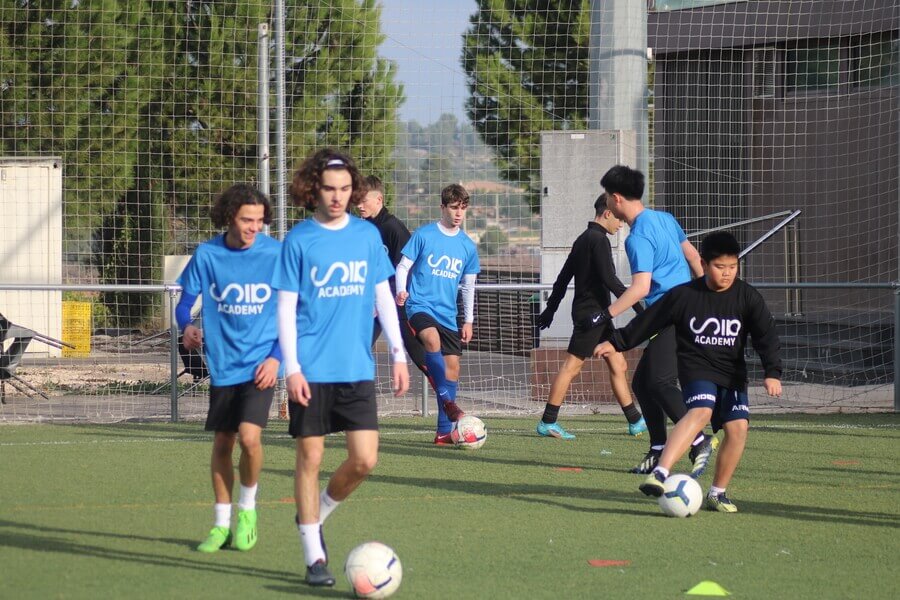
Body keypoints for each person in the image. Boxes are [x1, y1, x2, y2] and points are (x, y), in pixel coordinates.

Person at [273, 149, 410, 587]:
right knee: (310, 456)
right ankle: (314, 555)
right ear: (315, 189)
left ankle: (316, 515)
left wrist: (398, 352)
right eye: (330, 189)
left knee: (365, 459)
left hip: (356, 367)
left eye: (345, 189)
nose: (338, 197)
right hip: (310, 367)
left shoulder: (367, 237)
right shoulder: (298, 240)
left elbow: (383, 295)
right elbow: (285, 307)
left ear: (354, 190)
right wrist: (290, 368)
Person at [595, 231, 782, 512]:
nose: (727, 273)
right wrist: (616, 342)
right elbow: (649, 321)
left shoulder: (747, 296)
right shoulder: (684, 296)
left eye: (733, 267)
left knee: (738, 428)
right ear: (704, 264)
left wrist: (772, 371)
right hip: (697, 368)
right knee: (701, 411)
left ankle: (717, 492)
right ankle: (660, 473)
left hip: (731, 374)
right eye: (720, 267)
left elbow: (766, 335)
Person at [177, 183, 282, 553]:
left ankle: (248, 511)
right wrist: (186, 326)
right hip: (223, 366)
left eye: (259, 220)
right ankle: (221, 525)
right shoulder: (207, 255)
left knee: (250, 439)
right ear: (229, 218)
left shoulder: (276, 254)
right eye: (245, 220)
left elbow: (294, 314)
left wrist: (276, 357)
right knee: (224, 441)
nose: (254, 227)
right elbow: (184, 304)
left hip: (261, 366)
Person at [590, 165, 714, 476]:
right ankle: (659, 448)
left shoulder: (637, 238)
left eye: (606, 197)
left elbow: (641, 288)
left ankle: (698, 440)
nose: (606, 203)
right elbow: (695, 259)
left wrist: (607, 314)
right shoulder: (665, 219)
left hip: (669, 315)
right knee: (642, 383)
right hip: (684, 310)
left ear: (616, 199)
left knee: (659, 381)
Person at [535, 193, 647, 439]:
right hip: (592, 316)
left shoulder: (583, 239)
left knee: (618, 362)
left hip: (598, 315)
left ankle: (636, 420)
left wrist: (551, 309)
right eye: (618, 218)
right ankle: (548, 421)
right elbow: (611, 281)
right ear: (607, 213)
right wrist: (642, 310)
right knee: (571, 367)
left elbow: (563, 279)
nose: (621, 224)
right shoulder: (598, 240)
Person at [395, 183, 480, 445]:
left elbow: (468, 286)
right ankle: (447, 402)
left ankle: (444, 432)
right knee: (432, 340)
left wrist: (468, 320)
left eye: (463, 208)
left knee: (452, 368)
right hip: (419, 305)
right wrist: (401, 291)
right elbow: (403, 266)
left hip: (448, 314)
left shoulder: (468, 246)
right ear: (442, 207)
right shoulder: (424, 235)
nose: (458, 213)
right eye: (454, 208)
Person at [357, 175, 426, 373]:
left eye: (364, 200)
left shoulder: (393, 228)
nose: (359, 205)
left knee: (417, 351)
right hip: (370, 304)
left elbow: (405, 268)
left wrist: (389, 297)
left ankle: (446, 397)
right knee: (356, 348)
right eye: (357, 200)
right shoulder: (363, 228)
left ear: (378, 199)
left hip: (398, 302)